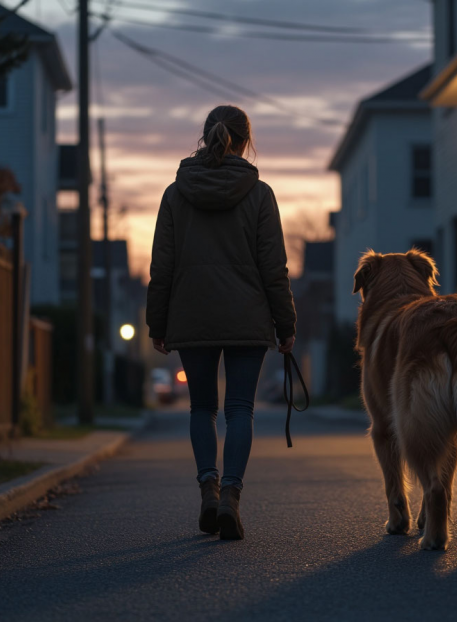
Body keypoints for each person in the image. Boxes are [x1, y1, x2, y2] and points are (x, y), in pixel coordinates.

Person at [146, 105, 296, 540]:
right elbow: (274, 268)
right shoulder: (260, 193)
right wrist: (285, 324)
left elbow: (162, 266)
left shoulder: (176, 193)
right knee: (240, 409)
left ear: (205, 135)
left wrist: (158, 323)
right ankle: (231, 496)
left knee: (201, 408)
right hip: (247, 317)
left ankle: (208, 489)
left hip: (192, 315)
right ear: (246, 141)